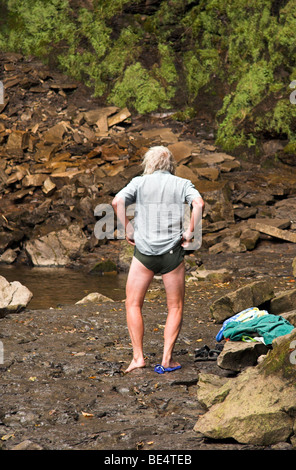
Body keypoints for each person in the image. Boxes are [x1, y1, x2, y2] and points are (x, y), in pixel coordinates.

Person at [112, 145, 204, 373]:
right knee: (175, 306)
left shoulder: (138, 183)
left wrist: (128, 229)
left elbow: (116, 202)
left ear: (149, 164)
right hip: (172, 254)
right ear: (171, 165)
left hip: (144, 254)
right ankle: (166, 359)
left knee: (133, 303)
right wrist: (190, 233)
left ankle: (138, 358)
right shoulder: (182, 184)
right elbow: (199, 204)